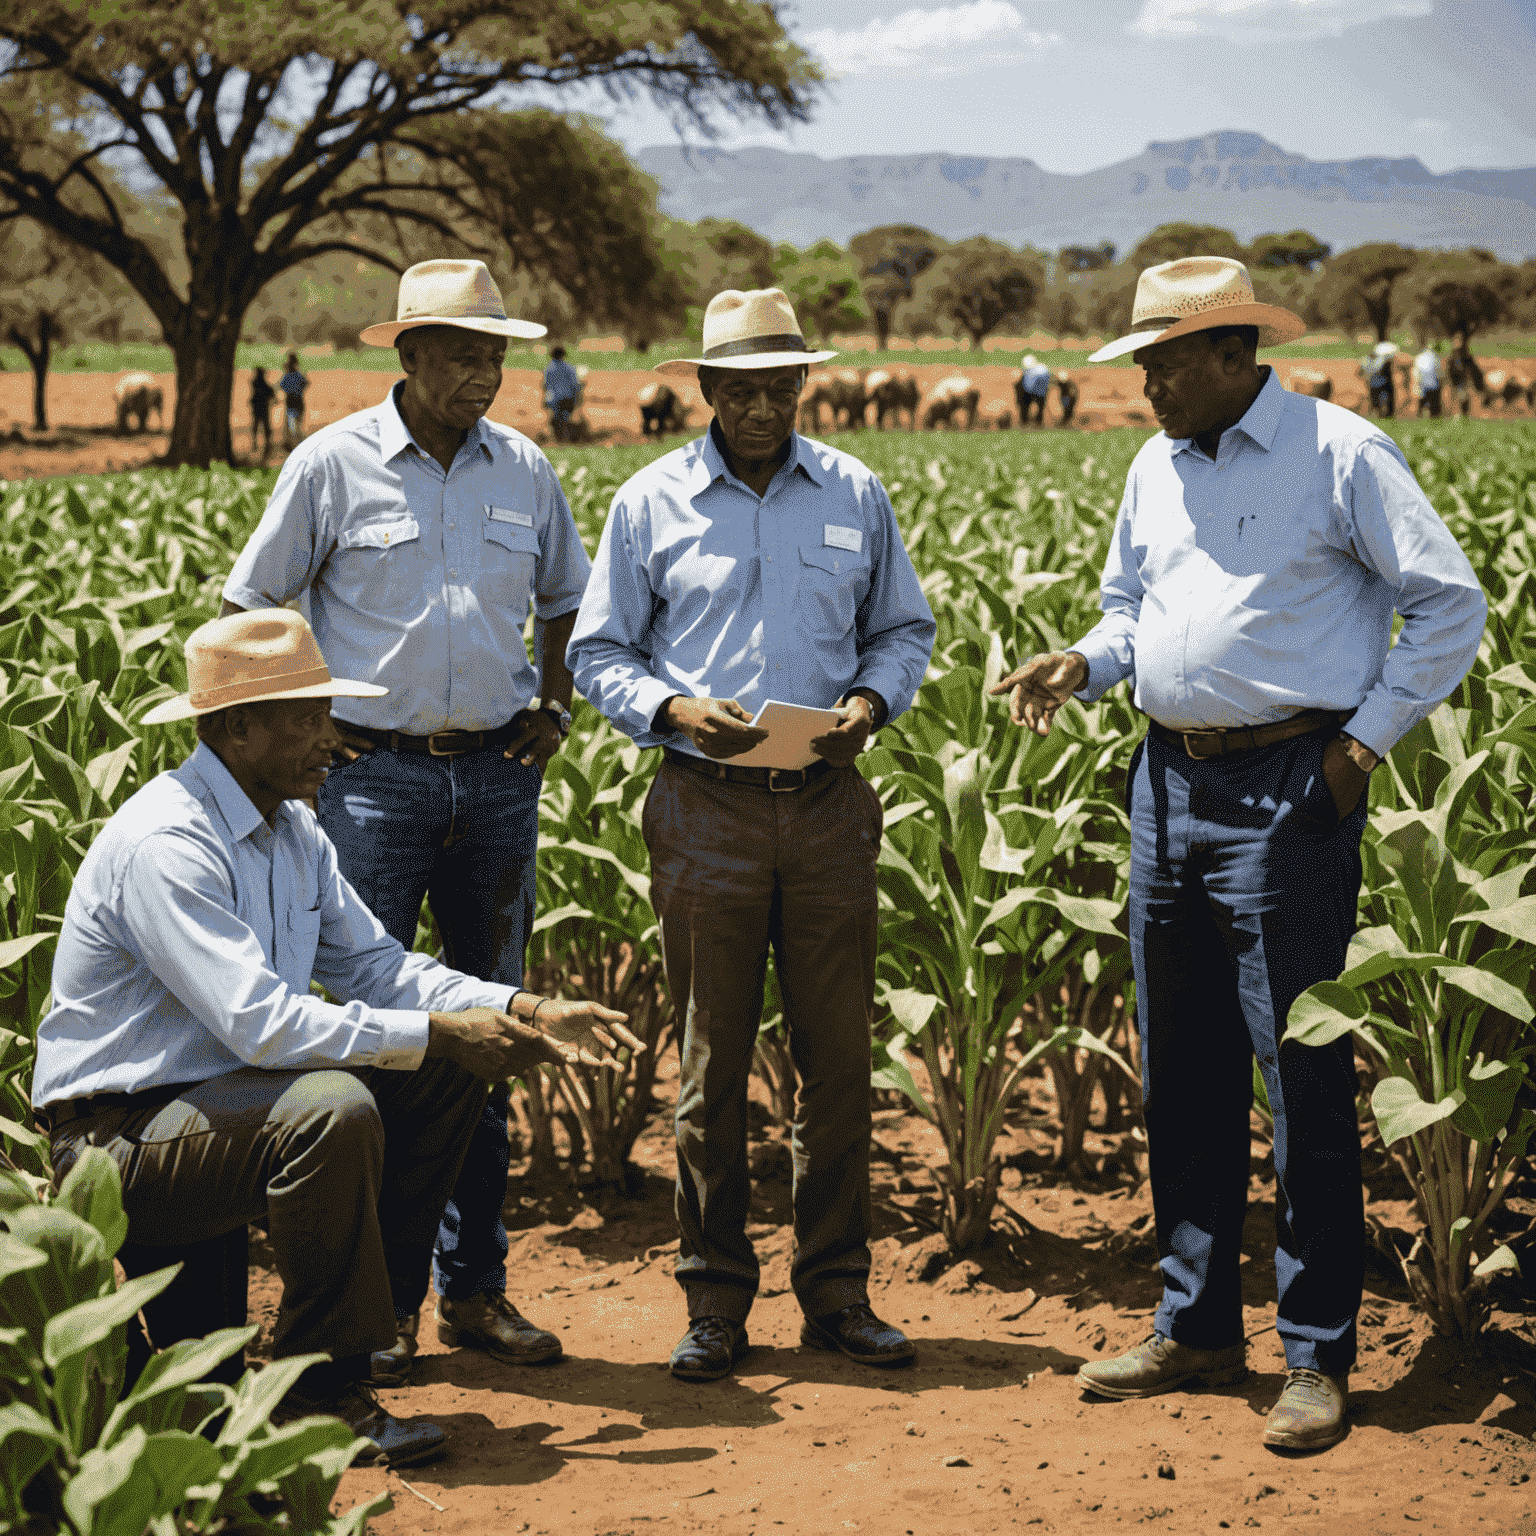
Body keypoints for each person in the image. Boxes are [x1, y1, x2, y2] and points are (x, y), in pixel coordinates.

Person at [991, 256, 1485, 1451]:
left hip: (1288, 783)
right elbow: (1130, 609)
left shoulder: (1341, 452)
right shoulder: (1153, 466)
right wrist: (1088, 662)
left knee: (1298, 1069)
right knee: (1183, 1069)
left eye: (1161, 362)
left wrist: (1359, 751)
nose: (1143, 383)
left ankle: (1315, 1353)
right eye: (1139, 363)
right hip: (1166, 780)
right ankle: (1199, 1325)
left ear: (1232, 354)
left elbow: (1450, 602)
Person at [31, 609, 636, 1467]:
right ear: (238, 728)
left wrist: (522, 1010)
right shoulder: (170, 843)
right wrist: (436, 1031)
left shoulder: (291, 830)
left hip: (224, 1113)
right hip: (120, 1142)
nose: (332, 736)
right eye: (308, 717)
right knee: (335, 1106)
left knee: (443, 1068)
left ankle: (364, 1327)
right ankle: (318, 1397)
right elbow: (263, 1023)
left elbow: (381, 971)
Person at [222, 258, 593, 1387]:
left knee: (491, 1038)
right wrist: (311, 727)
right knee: (375, 1036)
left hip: (492, 781)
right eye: (465, 352)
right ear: (409, 356)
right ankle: (367, 1310)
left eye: (498, 353)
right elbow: (250, 605)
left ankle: (475, 1290)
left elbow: (566, 595)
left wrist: (555, 702)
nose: (487, 371)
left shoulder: (524, 468)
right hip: (369, 783)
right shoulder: (330, 464)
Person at [569, 288, 936, 1384]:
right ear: (707, 391)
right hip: (704, 812)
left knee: (836, 1068)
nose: (762, 405)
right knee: (710, 1072)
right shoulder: (650, 501)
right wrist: (675, 712)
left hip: (827, 809)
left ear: (804, 386)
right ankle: (717, 1302)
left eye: (780, 386)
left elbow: (903, 629)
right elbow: (599, 654)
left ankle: (836, 1294)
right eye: (740, 388)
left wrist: (870, 707)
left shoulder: (856, 492)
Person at [543, 345, 583, 442]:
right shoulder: (569, 368)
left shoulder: (549, 369)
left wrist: (546, 399)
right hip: (568, 398)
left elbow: (546, 386)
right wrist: (578, 398)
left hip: (555, 399)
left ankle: (559, 440)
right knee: (565, 418)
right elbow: (575, 385)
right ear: (563, 355)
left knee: (557, 419)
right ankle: (567, 438)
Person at [1447, 337, 1483, 418]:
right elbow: (1450, 368)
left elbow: (1470, 367)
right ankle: (1458, 416)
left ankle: (1463, 416)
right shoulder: (1454, 354)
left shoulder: (1464, 354)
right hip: (1457, 380)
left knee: (1463, 397)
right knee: (1459, 398)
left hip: (1463, 380)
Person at [279, 352, 309, 448]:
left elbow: (282, 386)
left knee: (292, 427)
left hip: (291, 402)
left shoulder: (288, 376)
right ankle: (298, 444)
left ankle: (294, 445)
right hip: (298, 401)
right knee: (297, 426)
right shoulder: (298, 375)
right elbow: (306, 383)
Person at [1362, 340, 1396, 418]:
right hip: (1375, 383)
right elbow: (1373, 369)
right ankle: (1378, 414)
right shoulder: (1369, 359)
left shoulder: (1379, 358)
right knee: (1376, 400)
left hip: (1381, 382)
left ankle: (1386, 414)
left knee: (1385, 399)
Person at [1015, 353, 1051, 425]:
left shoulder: (1036, 371)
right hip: (1038, 392)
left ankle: (1027, 421)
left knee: (1026, 407)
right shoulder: (1042, 370)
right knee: (1036, 406)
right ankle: (1036, 421)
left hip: (1033, 391)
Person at [250, 366, 275, 460]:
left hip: (257, 410)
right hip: (263, 410)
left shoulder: (255, 384)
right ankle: (266, 446)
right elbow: (272, 394)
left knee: (256, 428)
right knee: (265, 429)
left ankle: (255, 445)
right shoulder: (263, 384)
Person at [1413, 342, 1442, 418]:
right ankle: (1435, 421)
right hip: (1434, 385)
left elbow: (1416, 372)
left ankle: (1419, 419)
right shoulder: (1435, 357)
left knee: (1422, 406)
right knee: (1434, 408)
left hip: (1423, 385)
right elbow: (1439, 370)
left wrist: (1417, 385)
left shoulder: (1419, 357)